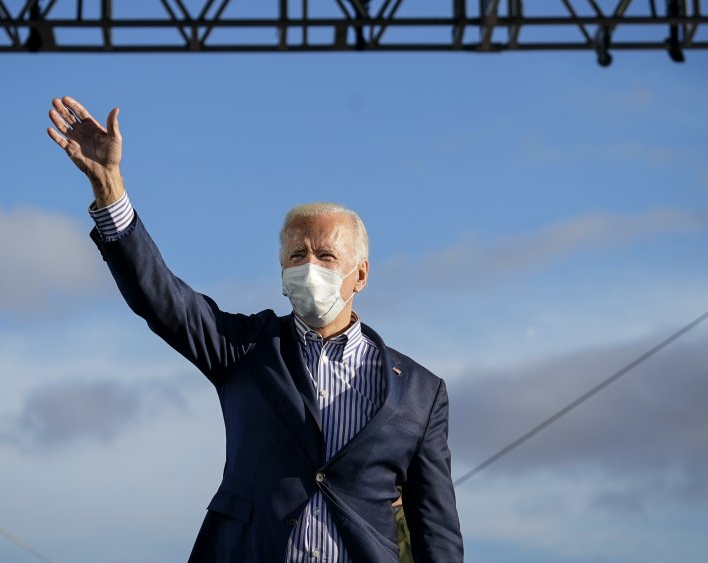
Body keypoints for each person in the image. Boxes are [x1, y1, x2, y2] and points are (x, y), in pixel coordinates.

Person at [46, 96, 463, 562]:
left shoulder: (422, 394)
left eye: (326, 257)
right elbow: (161, 298)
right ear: (280, 269)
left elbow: (436, 530)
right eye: (296, 256)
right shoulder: (245, 349)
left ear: (360, 274)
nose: (310, 268)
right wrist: (110, 189)